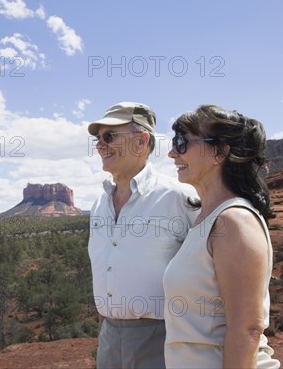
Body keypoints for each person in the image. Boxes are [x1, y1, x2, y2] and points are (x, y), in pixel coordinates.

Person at [164, 105, 280, 368]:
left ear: (220, 152)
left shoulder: (234, 221)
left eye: (182, 142)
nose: (172, 152)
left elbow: (247, 330)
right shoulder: (206, 218)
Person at [88, 102, 198, 369]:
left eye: (109, 136)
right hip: (109, 338)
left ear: (140, 141)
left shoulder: (179, 198)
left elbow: (213, 273)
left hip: (161, 338)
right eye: (98, 139)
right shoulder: (99, 204)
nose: (100, 145)